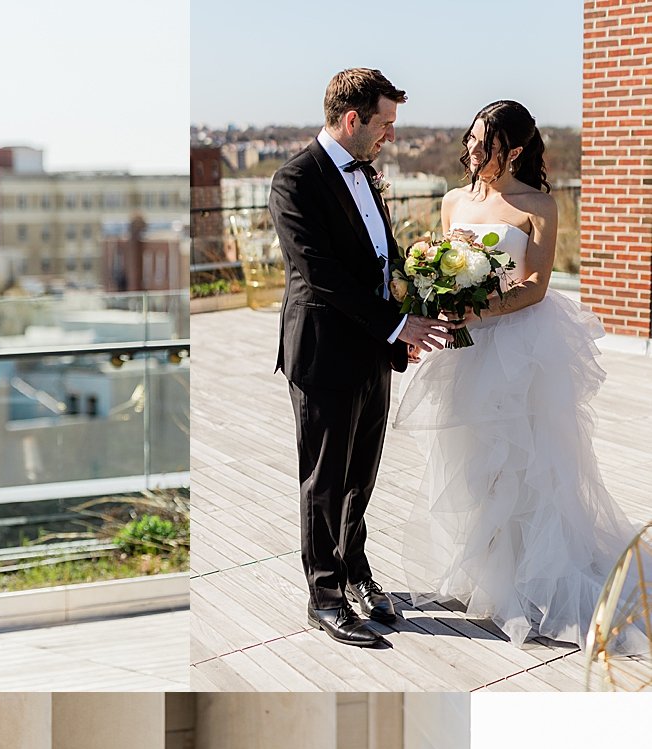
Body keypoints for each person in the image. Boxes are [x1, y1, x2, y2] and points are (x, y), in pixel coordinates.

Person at [396, 101, 638, 650]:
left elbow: (536, 286)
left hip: (521, 346)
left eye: (488, 143)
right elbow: (443, 272)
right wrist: (441, 307)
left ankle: (534, 579)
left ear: (518, 150)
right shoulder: (453, 200)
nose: (475, 151)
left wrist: (480, 312)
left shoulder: (540, 206)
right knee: (473, 462)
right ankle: (486, 573)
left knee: (525, 463)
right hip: (463, 349)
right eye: (473, 139)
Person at [267, 69, 450, 649]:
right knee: (325, 479)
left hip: (372, 350)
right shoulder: (292, 181)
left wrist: (408, 317)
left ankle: (356, 574)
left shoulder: (368, 175)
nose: (390, 136)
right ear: (353, 120)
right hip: (323, 353)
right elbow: (320, 277)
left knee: (360, 477)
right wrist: (396, 325)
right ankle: (324, 595)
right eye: (385, 124)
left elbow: (382, 258)